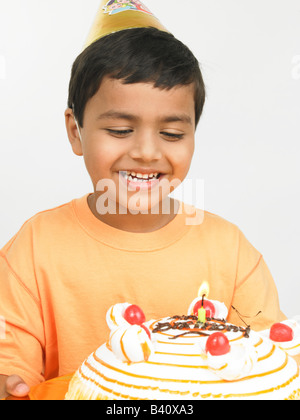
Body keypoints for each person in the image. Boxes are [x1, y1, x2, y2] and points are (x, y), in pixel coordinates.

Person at [0, 1, 294, 400]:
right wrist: (11, 381)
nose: (146, 152)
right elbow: (11, 362)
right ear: (76, 131)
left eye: (172, 134)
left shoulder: (232, 253)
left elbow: (269, 370)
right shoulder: (35, 248)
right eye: (120, 129)